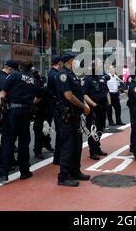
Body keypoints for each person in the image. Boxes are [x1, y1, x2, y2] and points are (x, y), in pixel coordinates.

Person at [0, 61, 42, 182]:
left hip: (12, 111)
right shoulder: (34, 80)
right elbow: (39, 97)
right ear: (30, 69)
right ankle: (24, 171)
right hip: (25, 112)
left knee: (8, 141)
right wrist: (30, 102)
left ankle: (4, 173)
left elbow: (3, 92)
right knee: (24, 142)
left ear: (20, 67)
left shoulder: (14, 76)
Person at [55, 54, 91, 187]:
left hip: (75, 115)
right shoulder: (63, 75)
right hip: (67, 116)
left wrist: (83, 106)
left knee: (77, 145)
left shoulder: (72, 75)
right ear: (70, 61)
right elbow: (69, 96)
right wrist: (83, 106)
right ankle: (63, 176)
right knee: (68, 146)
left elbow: (78, 94)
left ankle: (75, 171)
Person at [0, 60, 19, 172]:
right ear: (11, 69)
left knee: (4, 136)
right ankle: (3, 162)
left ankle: (9, 159)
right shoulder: (5, 79)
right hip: (3, 111)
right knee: (4, 137)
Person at [83, 60, 110, 160]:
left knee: (100, 128)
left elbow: (106, 91)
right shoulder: (88, 79)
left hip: (102, 106)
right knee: (93, 129)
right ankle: (93, 151)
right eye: (95, 66)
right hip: (94, 107)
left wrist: (108, 103)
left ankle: (97, 147)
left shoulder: (102, 77)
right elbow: (84, 94)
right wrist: (94, 104)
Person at [31, 67, 53, 159]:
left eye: (36, 71)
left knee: (47, 128)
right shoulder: (31, 81)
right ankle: (37, 150)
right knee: (38, 130)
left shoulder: (43, 79)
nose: (36, 73)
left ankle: (47, 144)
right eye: (34, 72)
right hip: (37, 108)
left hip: (46, 106)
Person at [47, 55, 63, 165]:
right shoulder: (55, 74)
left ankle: (58, 157)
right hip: (57, 105)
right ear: (59, 63)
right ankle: (58, 157)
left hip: (54, 104)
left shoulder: (52, 73)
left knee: (60, 132)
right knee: (61, 132)